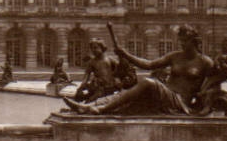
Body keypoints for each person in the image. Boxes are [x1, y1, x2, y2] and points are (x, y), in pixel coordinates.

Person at [64, 24, 212, 116]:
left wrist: (207, 106)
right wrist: (125, 55)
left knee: (148, 82)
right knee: (126, 95)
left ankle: (101, 109)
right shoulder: (175, 56)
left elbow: (212, 87)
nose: (182, 44)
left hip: (180, 101)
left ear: (195, 42)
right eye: (181, 41)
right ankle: (88, 106)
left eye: (185, 41)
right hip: (166, 95)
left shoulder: (205, 62)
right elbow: (148, 64)